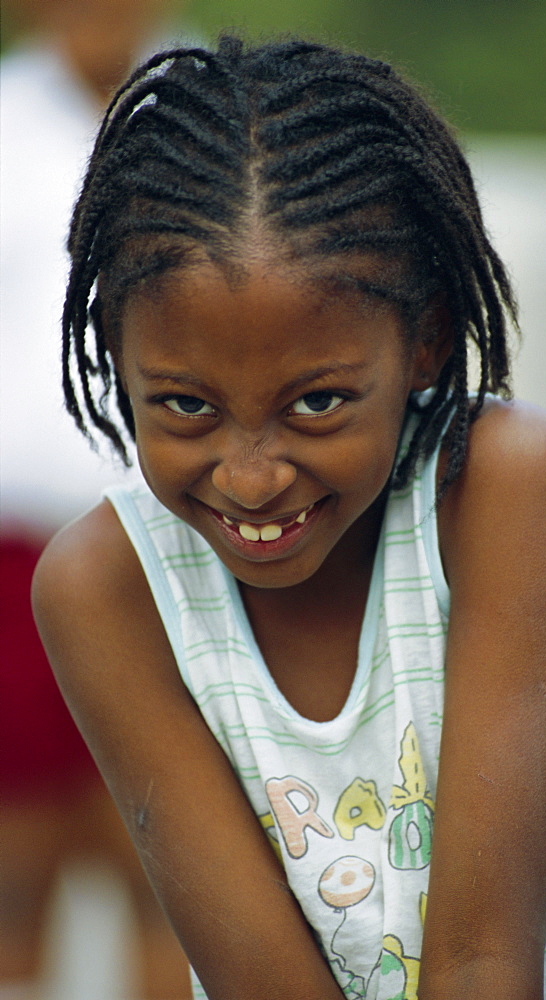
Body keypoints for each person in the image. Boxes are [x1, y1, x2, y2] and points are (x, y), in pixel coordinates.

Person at [31, 35, 546, 1000]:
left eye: (317, 403)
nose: (250, 480)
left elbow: (484, 962)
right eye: (186, 407)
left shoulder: (498, 489)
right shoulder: (105, 589)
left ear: (422, 344)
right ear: (114, 363)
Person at [0, 1, 191, 995]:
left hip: (179, 548)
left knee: (170, 865)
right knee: (13, 870)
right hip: (15, 553)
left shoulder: (211, 113)